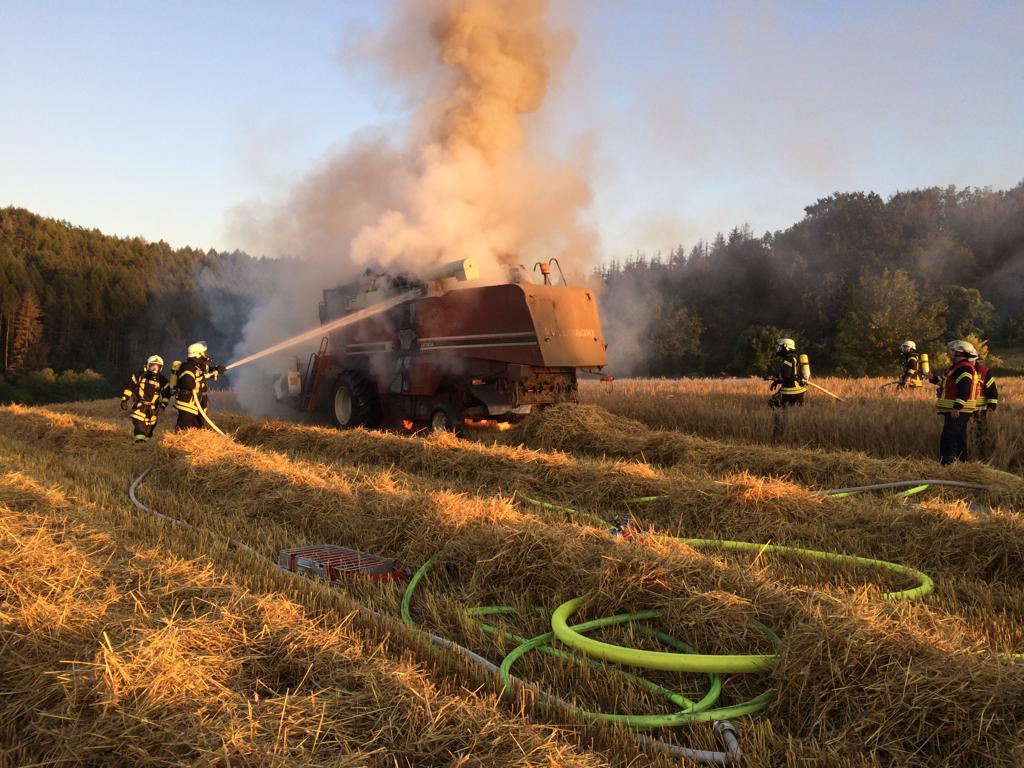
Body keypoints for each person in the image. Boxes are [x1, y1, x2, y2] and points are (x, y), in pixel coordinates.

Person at [929, 339, 979, 465]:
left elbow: (964, 388)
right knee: (959, 438)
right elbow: (946, 382)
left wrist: (957, 406)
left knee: (949, 437)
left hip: (959, 410)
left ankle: (947, 465)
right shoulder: (957, 367)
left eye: (952, 350)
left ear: (959, 352)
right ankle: (961, 464)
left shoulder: (964, 368)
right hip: (959, 410)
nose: (949, 353)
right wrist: (932, 378)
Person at [173, 341, 226, 431]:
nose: (205, 354)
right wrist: (205, 377)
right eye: (203, 352)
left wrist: (218, 369)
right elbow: (189, 383)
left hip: (198, 405)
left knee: (198, 429)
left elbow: (209, 370)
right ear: (198, 354)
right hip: (188, 405)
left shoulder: (199, 366)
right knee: (185, 430)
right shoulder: (187, 367)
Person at [120, 355, 171, 443]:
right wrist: (124, 400)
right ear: (147, 366)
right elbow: (129, 388)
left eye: (157, 367)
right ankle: (139, 445)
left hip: (153, 410)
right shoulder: (139, 376)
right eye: (152, 366)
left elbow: (166, 395)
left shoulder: (162, 380)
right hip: (139, 407)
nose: (155, 369)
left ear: (161, 368)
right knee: (140, 428)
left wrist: (163, 407)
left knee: (148, 432)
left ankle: (144, 446)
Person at [768, 337, 809, 408]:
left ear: (786, 347)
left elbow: (786, 375)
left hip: (790, 390)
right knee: (795, 410)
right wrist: (777, 380)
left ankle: (779, 415)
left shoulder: (788, 359)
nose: (779, 349)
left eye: (781, 347)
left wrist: (776, 379)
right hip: (798, 390)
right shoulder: (794, 357)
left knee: (773, 403)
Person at [972, 354, 999, 458]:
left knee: (980, 438)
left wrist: (991, 409)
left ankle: (980, 458)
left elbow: (992, 392)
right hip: (962, 412)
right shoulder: (959, 370)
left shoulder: (984, 371)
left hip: (981, 413)